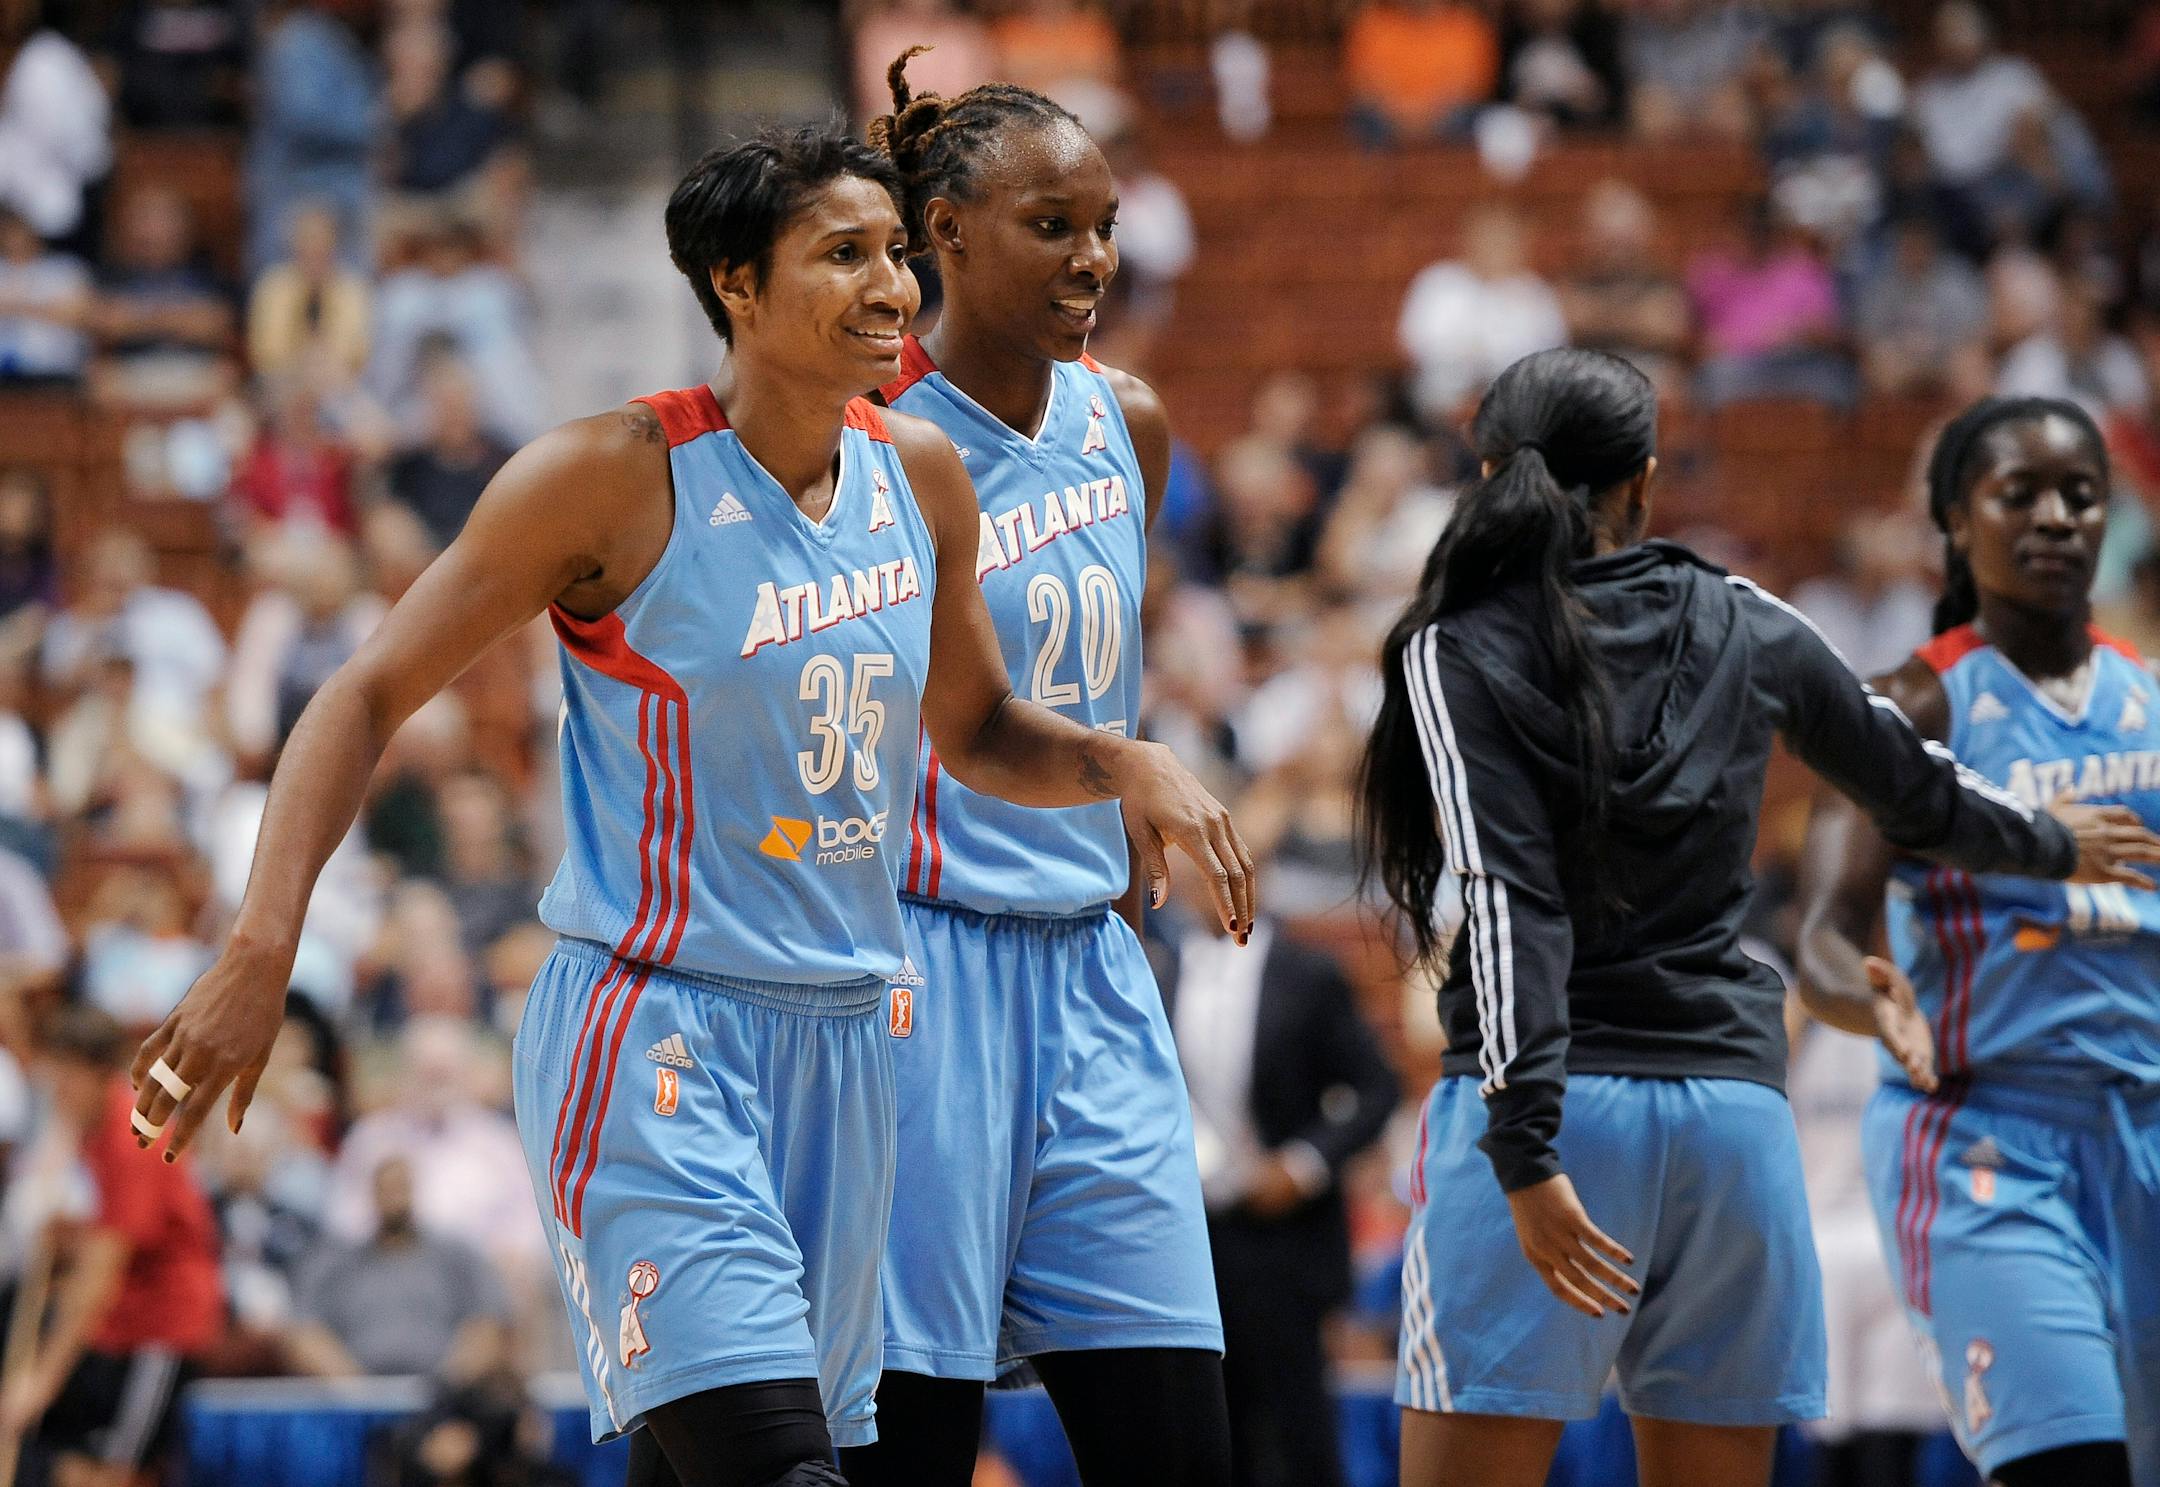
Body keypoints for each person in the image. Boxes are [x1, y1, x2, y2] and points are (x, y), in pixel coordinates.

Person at [125, 126, 1253, 1487]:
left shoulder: (923, 478)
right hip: (661, 1032)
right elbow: (365, 692)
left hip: (850, 1049)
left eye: (895, 251)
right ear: (736, 284)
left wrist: (1118, 760)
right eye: (844, 255)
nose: (892, 285)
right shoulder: (611, 473)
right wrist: (263, 942)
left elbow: (979, 728)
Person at [1357, 348, 2160, 1487]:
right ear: (1644, 479)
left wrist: (1525, 1145)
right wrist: (2052, 837)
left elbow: (1506, 896)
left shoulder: (1458, 643)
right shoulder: (1745, 616)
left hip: (1555, 1111)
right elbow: (1917, 782)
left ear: (1488, 472)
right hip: (1734, 1123)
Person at [828, 56, 1231, 1487]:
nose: (1093, 256)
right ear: (942, 231)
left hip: (1095, 974)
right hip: (923, 974)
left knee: (1180, 1439)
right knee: (912, 1446)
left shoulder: (1130, 419)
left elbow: (1104, 666)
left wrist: (1123, 812)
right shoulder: (868, 451)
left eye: (1103, 222)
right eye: (1052, 224)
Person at [1794, 396, 2160, 1487]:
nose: (2055, 518)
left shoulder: (2148, 699)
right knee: (2071, 1469)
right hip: (1990, 1135)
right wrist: (1867, 1001)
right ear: (1957, 518)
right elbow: (1823, 934)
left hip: (2144, 1122)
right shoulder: (1907, 708)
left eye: (2080, 496)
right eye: (2020, 494)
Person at [1151, 881, 1398, 1487]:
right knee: (1206, 1428)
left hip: (1285, 1240)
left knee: (1298, 1431)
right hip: (1193, 1237)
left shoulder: (1307, 972)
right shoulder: (1159, 971)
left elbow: (1376, 1088)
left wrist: (1302, 1165)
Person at [7, 1007, 222, 1487]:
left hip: (160, 1328)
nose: (57, 1094)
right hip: (124, 1326)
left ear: (99, 1074)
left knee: (119, 1473)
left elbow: (101, 1274)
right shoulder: (97, 1134)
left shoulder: (131, 1139)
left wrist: (41, 1383)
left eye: (66, 1079)